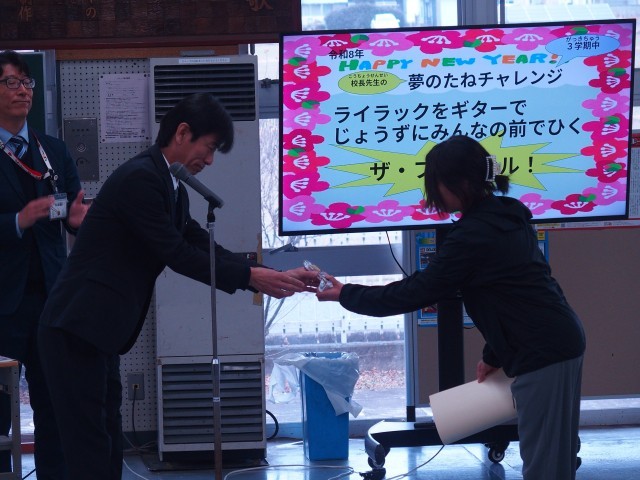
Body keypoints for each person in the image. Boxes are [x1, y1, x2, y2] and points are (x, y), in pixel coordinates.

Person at [37, 92, 318, 480]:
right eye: (209, 147)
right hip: (74, 328)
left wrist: (266, 272)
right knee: (89, 445)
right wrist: (251, 278)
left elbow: (201, 244)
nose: (210, 160)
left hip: (98, 332)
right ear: (183, 133)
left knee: (106, 437)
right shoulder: (140, 179)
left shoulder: (170, 186)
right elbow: (176, 254)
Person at [316, 135, 586, 480]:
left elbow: (415, 292)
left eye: (436, 184)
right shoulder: (508, 214)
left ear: (460, 183)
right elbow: (514, 294)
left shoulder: (474, 234)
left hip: (543, 350)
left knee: (547, 465)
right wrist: (493, 355)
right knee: (555, 453)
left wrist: (345, 293)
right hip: (555, 339)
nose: (434, 195)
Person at [0, 49, 88, 479]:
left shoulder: (51, 150)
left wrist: (77, 220)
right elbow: (24, 217)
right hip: (3, 301)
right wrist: (18, 220)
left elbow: (72, 209)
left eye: (27, 82)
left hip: (51, 299)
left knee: (53, 404)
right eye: (11, 82)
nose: (23, 90)